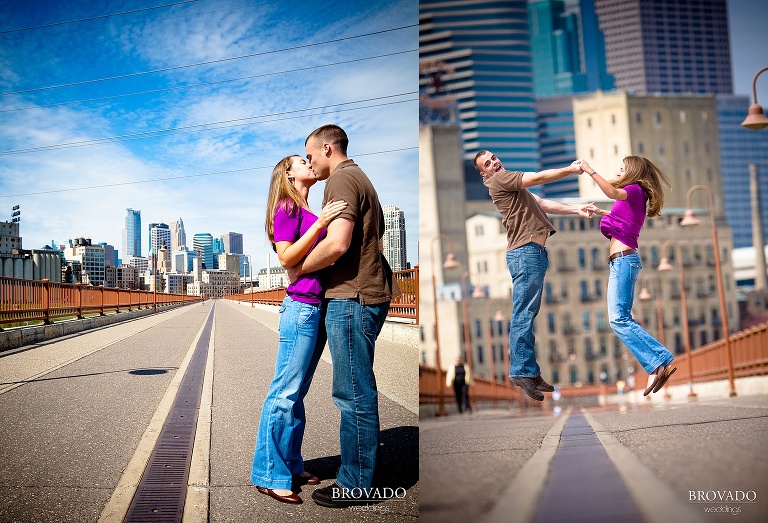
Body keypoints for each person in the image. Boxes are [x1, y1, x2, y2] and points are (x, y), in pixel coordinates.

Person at [287, 124, 399, 508]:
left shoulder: (340, 181)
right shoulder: (359, 178)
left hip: (352, 296)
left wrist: (299, 269)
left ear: (328, 148)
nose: (311, 162)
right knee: (355, 388)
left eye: (311, 154)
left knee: (352, 392)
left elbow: (337, 243)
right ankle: (362, 473)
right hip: (366, 292)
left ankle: (356, 483)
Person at [250, 155, 347, 504]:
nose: (310, 164)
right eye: (302, 161)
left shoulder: (305, 206)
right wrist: (321, 222)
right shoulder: (287, 207)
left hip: (315, 307)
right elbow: (286, 258)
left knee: (296, 394)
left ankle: (290, 463)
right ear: (288, 173)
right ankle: (269, 474)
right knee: (284, 394)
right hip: (301, 308)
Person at [473, 150, 593, 401]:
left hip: (532, 252)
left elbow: (542, 203)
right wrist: (570, 170)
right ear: (484, 174)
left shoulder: (513, 187)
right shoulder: (500, 179)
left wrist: (576, 210)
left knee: (527, 312)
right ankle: (521, 370)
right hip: (525, 252)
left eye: (495, 158)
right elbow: (538, 178)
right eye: (488, 163)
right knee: (523, 313)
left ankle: (529, 370)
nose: (495, 162)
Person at [581, 157, 677, 396]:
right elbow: (623, 217)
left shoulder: (633, 189)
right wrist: (601, 211)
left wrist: (590, 171)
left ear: (633, 172)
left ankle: (659, 360)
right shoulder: (635, 195)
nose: (618, 170)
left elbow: (612, 191)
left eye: (622, 168)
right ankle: (656, 364)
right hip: (622, 262)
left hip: (624, 261)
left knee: (619, 319)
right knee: (620, 319)